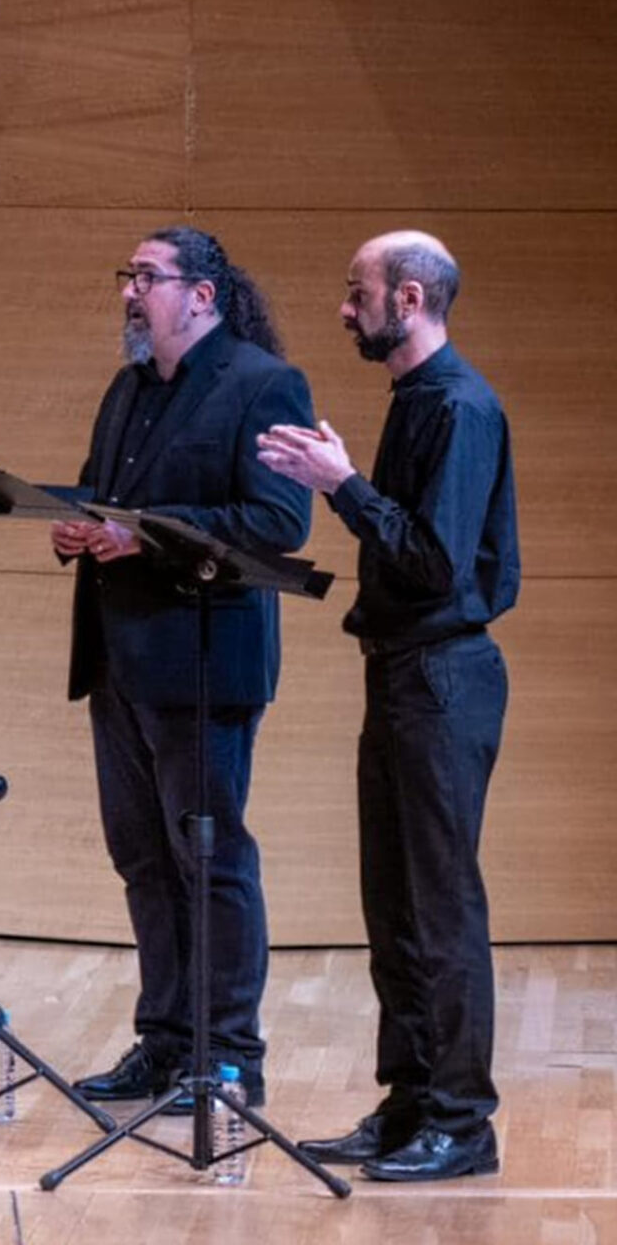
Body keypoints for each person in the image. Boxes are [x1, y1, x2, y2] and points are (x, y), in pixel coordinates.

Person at [259, 232, 516, 1182]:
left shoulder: (458, 406)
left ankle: (463, 1122)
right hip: (404, 674)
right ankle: (411, 1105)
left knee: (441, 908)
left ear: (409, 299)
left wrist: (343, 487)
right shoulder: (417, 399)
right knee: (395, 905)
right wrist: (348, 485)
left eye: (356, 292)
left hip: (443, 678)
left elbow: (435, 563)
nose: (344, 309)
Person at [50, 227, 314, 1110]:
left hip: (204, 663)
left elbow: (278, 522)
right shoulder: (127, 388)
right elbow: (102, 496)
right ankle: (164, 1045)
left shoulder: (262, 384)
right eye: (127, 276)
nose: (130, 291)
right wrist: (75, 527)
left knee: (211, 859)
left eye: (147, 276)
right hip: (118, 660)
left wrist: (146, 534)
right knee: (143, 858)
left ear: (202, 294)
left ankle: (230, 1058)